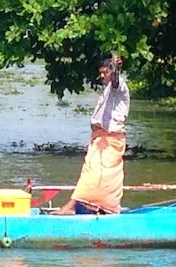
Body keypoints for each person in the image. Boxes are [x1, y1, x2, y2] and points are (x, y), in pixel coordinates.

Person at [53, 56, 130, 214]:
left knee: (95, 174)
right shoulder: (108, 89)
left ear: (112, 71)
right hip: (100, 139)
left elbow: (115, 79)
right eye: (100, 73)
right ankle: (96, 206)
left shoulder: (119, 87)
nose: (102, 76)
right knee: (92, 172)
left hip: (110, 140)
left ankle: (71, 206)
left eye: (105, 72)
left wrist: (115, 69)